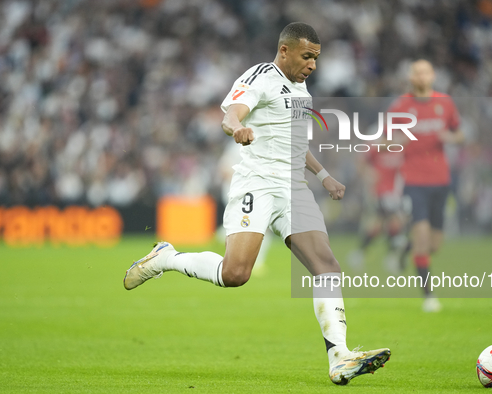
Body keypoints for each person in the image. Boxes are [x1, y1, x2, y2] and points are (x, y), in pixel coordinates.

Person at [123, 22, 390, 385]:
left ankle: (339, 356)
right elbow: (230, 115)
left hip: (295, 188)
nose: (312, 65)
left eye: (316, 58)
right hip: (258, 184)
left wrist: (323, 173)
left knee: (327, 265)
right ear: (285, 51)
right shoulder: (261, 76)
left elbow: (293, 142)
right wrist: (238, 129)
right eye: (307, 56)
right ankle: (167, 258)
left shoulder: (301, 89)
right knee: (236, 274)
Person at [387, 60, 464, 312]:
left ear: (433, 75)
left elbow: (460, 134)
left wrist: (450, 137)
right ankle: (429, 297)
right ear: (410, 76)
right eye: (416, 72)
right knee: (422, 238)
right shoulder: (401, 106)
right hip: (414, 181)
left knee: (434, 245)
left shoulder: (445, 103)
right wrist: (398, 142)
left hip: (440, 180)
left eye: (425, 72)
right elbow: (383, 141)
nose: (421, 76)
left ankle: (405, 249)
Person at [348, 139, 410, 274]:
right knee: (392, 223)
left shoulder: (402, 148)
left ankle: (360, 253)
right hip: (380, 191)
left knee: (379, 226)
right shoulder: (376, 147)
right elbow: (360, 161)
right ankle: (391, 257)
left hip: (397, 192)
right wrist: (368, 174)